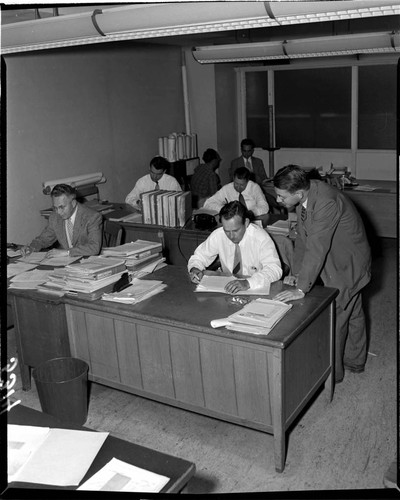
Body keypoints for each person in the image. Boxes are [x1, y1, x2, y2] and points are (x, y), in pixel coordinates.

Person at [271, 165, 371, 383]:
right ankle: (355, 360)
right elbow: (303, 240)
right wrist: (296, 274)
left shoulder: (325, 201)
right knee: (353, 310)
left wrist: (301, 288)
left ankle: (331, 375)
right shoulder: (306, 194)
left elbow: (317, 246)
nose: (278, 201)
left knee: (335, 315)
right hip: (339, 254)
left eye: (281, 196)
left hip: (348, 262)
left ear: (298, 193)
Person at [188, 201, 282, 294]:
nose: (231, 236)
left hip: (255, 288)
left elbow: (274, 269)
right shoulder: (219, 234)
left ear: (246, 223)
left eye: (235, 230)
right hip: (227, 288)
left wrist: (248, 282)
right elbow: (199, 256)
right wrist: (195, 269)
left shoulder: (261, 238)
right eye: (227, 231)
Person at [21, 183, 103, 258]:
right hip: (65, 263)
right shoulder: (54, 217)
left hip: (88, 262)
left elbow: (94, 247)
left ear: (73, 203)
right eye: (55, 208)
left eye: (61, 207)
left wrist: (67, 252)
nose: (58, 212)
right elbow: (44, 239)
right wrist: (31, 248)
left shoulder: (92, 217)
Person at [204, 167, 269, 217]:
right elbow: (208, 203)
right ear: (233, 179)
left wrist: (251, 213)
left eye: (242, 185)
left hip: (253, 219)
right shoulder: (227, 188)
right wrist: (226, 210)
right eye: (236, 183)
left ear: (247, 181)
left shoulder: (254, 187)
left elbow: (264, 206)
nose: (238, 187)